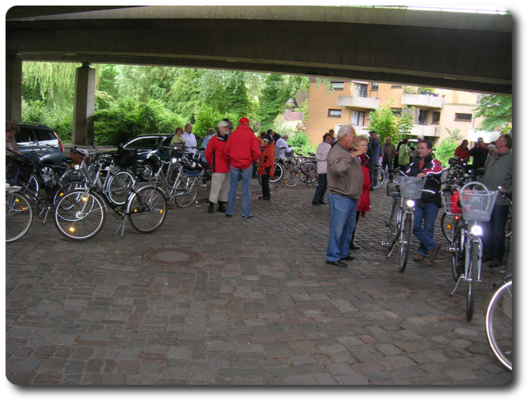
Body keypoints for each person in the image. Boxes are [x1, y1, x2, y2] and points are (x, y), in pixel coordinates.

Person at [325, 124, 363, 267]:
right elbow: (338, 170)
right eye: (353, 137)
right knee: (338, 228)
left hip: (351, 196)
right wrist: (350, 156)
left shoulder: (347, 150)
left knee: (348, 227)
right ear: (345, 136)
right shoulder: (336, 151)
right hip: (341, 196)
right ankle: (333, 256)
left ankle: (343, 253)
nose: (354, 139)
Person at [407, 140, 443, 262]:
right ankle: (433, 246)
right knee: (415, 225)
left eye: (422, 148)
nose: (420, 150)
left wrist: (425, 173)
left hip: (431, 200)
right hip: (418, 199)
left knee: (428, 228)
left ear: (429, 150)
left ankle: (421, 252)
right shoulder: (415, 162)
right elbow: (408, 173)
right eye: (419, 148)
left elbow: (437, 171)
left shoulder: (434, 162)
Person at [480, 134, 512, 267]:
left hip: (499, 200)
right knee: (486, 228)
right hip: (487, 197)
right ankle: (487, 252)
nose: (496, 141)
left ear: (505, 143)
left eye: (499, 139)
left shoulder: (511, 159)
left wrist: (508, 190)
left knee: (498, 230)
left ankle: (497, 256)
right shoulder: (494, 156)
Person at [225, 117, 262, 219]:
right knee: (246, 189)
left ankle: (229, 211)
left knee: (232, 187)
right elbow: (258, 152)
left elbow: (226, 150)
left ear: (239, 124)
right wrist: (252, 160)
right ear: (248, 124)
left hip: (234, 163)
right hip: (247, 164)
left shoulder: (233, 135)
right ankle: (245, 213)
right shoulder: (251, 135)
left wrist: (232, 158)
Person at [204, 121, 232, 214]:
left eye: (227, 127)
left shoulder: (228, 139)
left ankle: (221, 205)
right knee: (215, 187)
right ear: (219, 128)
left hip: (227, 168)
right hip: (218, 167)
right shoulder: (214, 139)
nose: (227, 128)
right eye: (224, 127)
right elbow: (208, 153)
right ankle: (211, 205)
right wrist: (212, 164)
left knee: (225, 188)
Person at [349, 135, 371, 250]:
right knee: (352, 219)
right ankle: (348, 242)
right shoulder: (356, 157)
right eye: (362, 145)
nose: (365, 147)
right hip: (357, 193)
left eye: (366, 145)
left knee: (354, 219)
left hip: (362, 193)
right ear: (356, 146)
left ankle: (350, 241)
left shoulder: (364, 157)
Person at [312, 133, 333, 205]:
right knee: (321, 184)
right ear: (324, 139)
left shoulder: (330, 146)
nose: (329, 140)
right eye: (328, 138)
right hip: (322, 167)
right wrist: (325, 158)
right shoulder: (321, 146)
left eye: (330, 138)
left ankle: (321, 198)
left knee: (325, 184)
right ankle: (316, 199)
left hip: (328, 168)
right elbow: (317, 156)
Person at [257, 134, 275, 201]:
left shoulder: (269, 149)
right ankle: (265, 196)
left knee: (265, 182)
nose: (263, 142)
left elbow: (270, 160)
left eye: (265, 141)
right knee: (264, 182)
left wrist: (264, 165)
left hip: (267, 169)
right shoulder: (267, 148)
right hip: (265, 168)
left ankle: (266, 196)